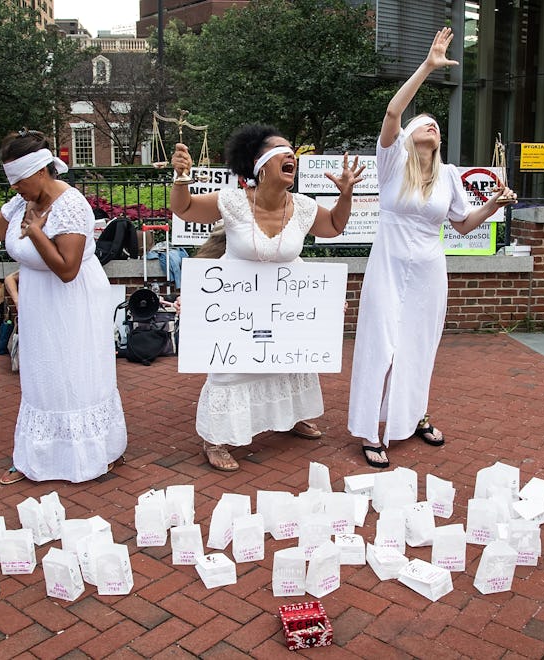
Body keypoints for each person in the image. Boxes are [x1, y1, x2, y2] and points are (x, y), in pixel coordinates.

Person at [348, 28, 518, 469]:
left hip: (428, 269)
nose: (432, 125)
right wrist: (428, 65)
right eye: (424, 122)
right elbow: (391, 111)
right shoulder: (390, 164)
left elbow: (462, 225)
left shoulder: (449, 176)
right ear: (409, 136)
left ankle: (412, 416)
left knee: (420, 345)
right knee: (380, 345)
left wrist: (494, 205)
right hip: (387, 268)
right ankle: (370, 429)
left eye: (436, 124)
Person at [171, 125, 364, 471]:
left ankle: (294, 416)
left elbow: (334, 225)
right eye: (281, 150)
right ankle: (214, 438)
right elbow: (184, 209)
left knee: (291, 363)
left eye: (293, 151)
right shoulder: (231, 201)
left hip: (286, 301)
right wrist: (182, 177)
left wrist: (346, 194)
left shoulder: (303, 207)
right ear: (260, 164)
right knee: (231, 371)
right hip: (237, 303)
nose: (291, 155)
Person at [0, 129, 127, 484]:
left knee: (75, 377)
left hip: (73, 303)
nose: (14, 188)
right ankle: (39, 457)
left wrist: (36, 232)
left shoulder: (72, 206)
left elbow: (67, 270)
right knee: (43, 378)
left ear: (41, 170)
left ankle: (94, 452)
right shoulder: (21, 203)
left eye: (19, 179)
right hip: (40, 303)